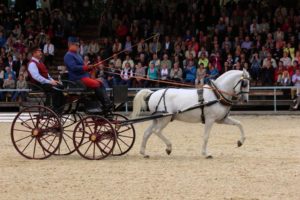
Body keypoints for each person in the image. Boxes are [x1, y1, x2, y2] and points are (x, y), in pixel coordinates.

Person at [63, 37, 113, 113]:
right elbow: (73, 68)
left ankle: (106, 104)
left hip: (84, 77)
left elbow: (84, 67)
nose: (78, 46)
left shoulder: (78, 55)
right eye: (76, 45)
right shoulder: (68, 55)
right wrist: (86, 67)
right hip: (77, 79)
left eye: (78, 45)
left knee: (100, 82)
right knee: (96, 83)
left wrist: (91, 67)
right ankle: (106, 104)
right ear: (70, 45)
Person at [27, 46, 65, 113]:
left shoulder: (40, 62)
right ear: (34, 53)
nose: (41, 53)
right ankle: (55, 108)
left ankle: (60, 107)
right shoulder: (32, 63)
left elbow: (46, 74)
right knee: (56, 88)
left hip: (44, 83)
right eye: (39, 51)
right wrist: (49, 82)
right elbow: (36, 77)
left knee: (61, 86)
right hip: (38, 84)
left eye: (40, 51)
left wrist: (52, 80)